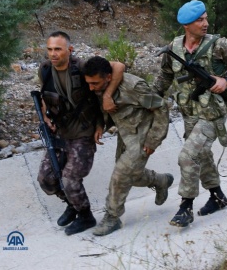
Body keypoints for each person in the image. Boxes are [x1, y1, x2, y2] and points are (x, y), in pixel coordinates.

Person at [152, 0, 227, 227]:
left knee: (188, 156)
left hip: (213, 111)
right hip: (189, 111)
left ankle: (186, 207)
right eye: (200, 20)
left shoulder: (219, 44)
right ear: (186, 25)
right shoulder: (174, 48)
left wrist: (226, 80)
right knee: (202, 154)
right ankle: (217, 196)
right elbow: (165, 77)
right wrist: (150, 99)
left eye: (206, 18)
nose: (205, 23)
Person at [37, 31, 125, 235]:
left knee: (69, 178)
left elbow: (118, 67)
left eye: (58, 49)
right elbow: (43, 97)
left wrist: (107, 99)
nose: (53, 54)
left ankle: (85, 216)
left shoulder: (82, 67)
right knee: (46, 179)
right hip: (59, 133)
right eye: (49, 49)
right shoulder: (45, 71)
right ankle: (72, 204)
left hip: (83, 133)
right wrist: (46, 117)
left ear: (69, 49)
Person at [83, 56, 173, 236]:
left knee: (121, 174)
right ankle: (161, 181)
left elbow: (161, 108)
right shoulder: (99, 86)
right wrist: (101, 125)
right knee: (132, 176)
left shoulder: (133, 87)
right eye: (89, 83)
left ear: (108, 77)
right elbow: (105, 109)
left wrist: (153, 140)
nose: (91, 88)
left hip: (143, 133)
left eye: (95, 83)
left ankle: (112, 217)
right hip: (126, 133)